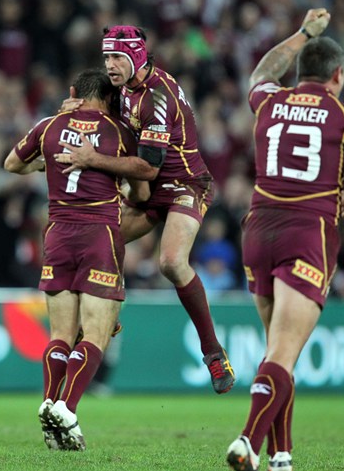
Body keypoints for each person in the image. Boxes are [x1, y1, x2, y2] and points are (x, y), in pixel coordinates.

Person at [225, 9, 344, 471]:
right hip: (307, 232)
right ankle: (247, 443)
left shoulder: (270, 100)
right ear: (338, 75)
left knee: (277, 349)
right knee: (282, 352)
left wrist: (301, 33)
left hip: (258, 229)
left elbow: (260, 73)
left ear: (300, 73)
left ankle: (281, 456)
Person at [56, 25, 236, 394]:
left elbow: (149, 167)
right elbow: (98, 115)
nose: (110, 64)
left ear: (137, 56)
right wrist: (74, 110)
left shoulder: (158, 96)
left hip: (184, 184)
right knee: (100, 241)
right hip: (148, 190)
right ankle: (111, 317)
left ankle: (213, 353)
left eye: (117, 57)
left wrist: (93, 159)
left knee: (170, 262)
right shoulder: (121, 89)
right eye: (106, 56)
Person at [4, 68, 148, 451]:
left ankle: (50, 404)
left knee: (60, 336)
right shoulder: (119, 131)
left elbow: (11, 165)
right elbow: (144, 188)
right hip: (99, 234)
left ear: (73, 93)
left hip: (57, 234)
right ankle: (67, 408)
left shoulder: (49, 125)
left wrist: (45, 164)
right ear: (110, 97)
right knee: (98, 334)